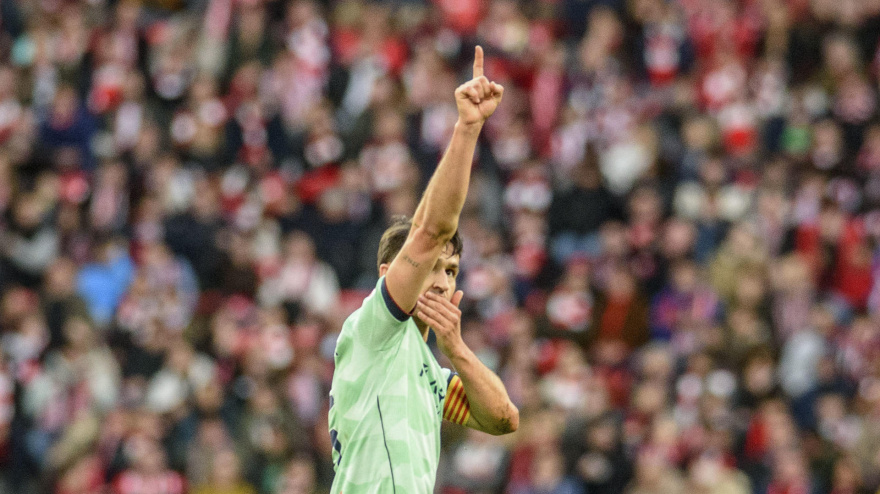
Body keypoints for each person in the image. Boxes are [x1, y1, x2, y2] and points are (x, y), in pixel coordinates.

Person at [327, 46, 519, 493]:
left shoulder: (427, 370)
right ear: (387, 273)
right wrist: (467, 129)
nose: (442, 280)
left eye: (451, 270)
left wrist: (457, 348)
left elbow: (504, 419)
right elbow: (430, 231)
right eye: (431, 266)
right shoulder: (373, 329)